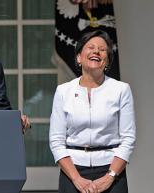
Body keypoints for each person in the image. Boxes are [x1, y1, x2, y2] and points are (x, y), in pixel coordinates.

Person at [49, 30, 136, 193]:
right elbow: (56, 140)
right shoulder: (63, 91)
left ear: (107, 60)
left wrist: (110, 176)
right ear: (79, 57)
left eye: (102, 50)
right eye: (91, 47)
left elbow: (128, 138)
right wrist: (76, 178)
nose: (96, 51)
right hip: (72, 171)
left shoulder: (121, 90)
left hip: (111, 170)